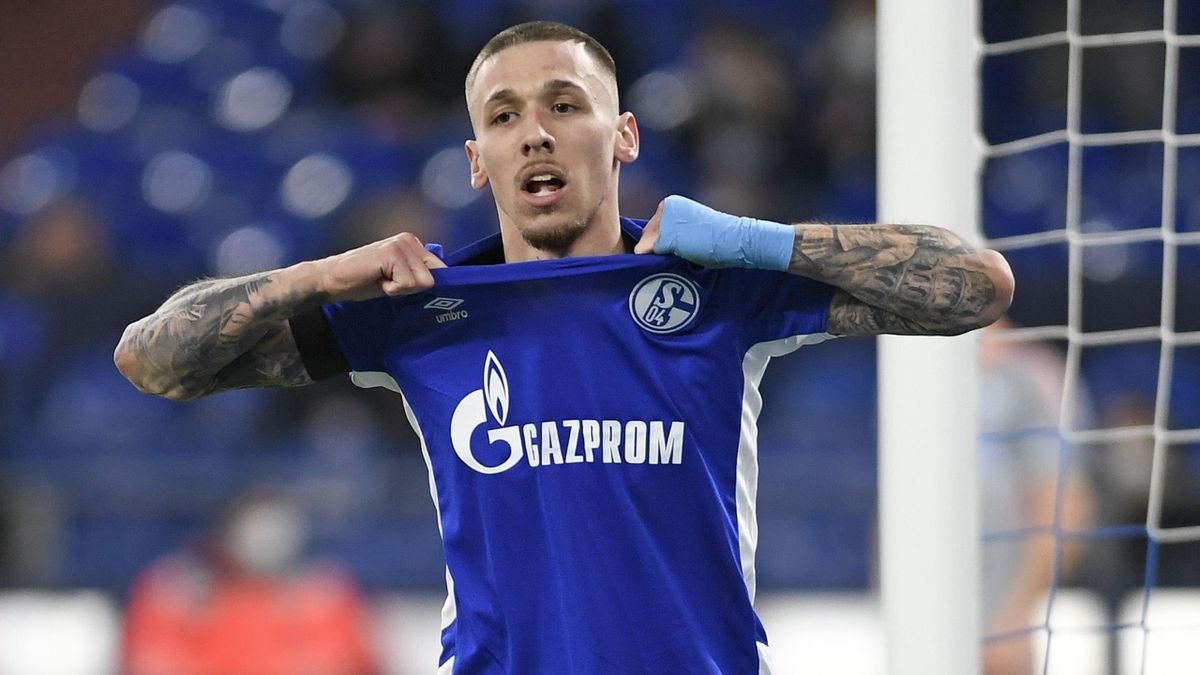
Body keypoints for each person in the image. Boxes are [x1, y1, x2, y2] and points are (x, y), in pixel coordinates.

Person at [114, 21, 1014, 674]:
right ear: (478, 159)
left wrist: (755, 241)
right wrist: (315, 275)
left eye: (565, 104)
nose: (535, 131)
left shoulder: (715, 285)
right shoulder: (418, 310)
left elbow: (976, 286)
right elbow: (151, 362)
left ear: (624, 136)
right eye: (504, 115)